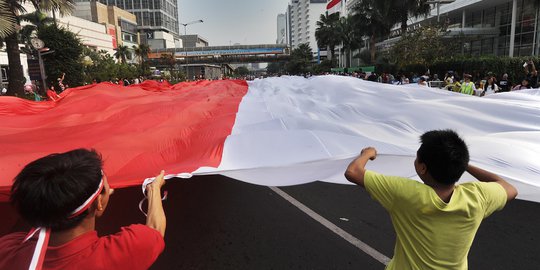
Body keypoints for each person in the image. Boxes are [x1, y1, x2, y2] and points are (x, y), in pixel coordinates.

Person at [344, 130, 517, 270]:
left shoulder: (405, 192)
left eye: (417, 157)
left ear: (423, 168)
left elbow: (353, 172)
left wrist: (367, 153)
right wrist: (464, 165)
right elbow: (509, 188)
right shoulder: (478, 197)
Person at [0, 149, 166, 269]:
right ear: (99, 204)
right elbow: (155, 231)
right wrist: (154, 189)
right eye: (107, 188)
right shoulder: (119, 253)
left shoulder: (7, 249)